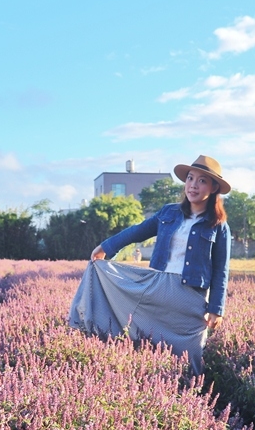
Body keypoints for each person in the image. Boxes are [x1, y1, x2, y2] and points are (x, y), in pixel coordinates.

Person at [69, 155, 231, 376]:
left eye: (202, 181)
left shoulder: (218, 226)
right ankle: (145, 382)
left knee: (192, 353)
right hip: (158, 287)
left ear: (213, 188)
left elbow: (221, 270)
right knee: (145, 340)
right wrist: (107, 246)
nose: (193, 185)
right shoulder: (168, 213)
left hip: (191, 297)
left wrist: (216, 309)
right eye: (190, 178)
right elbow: (138, 230)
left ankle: (193, 397)